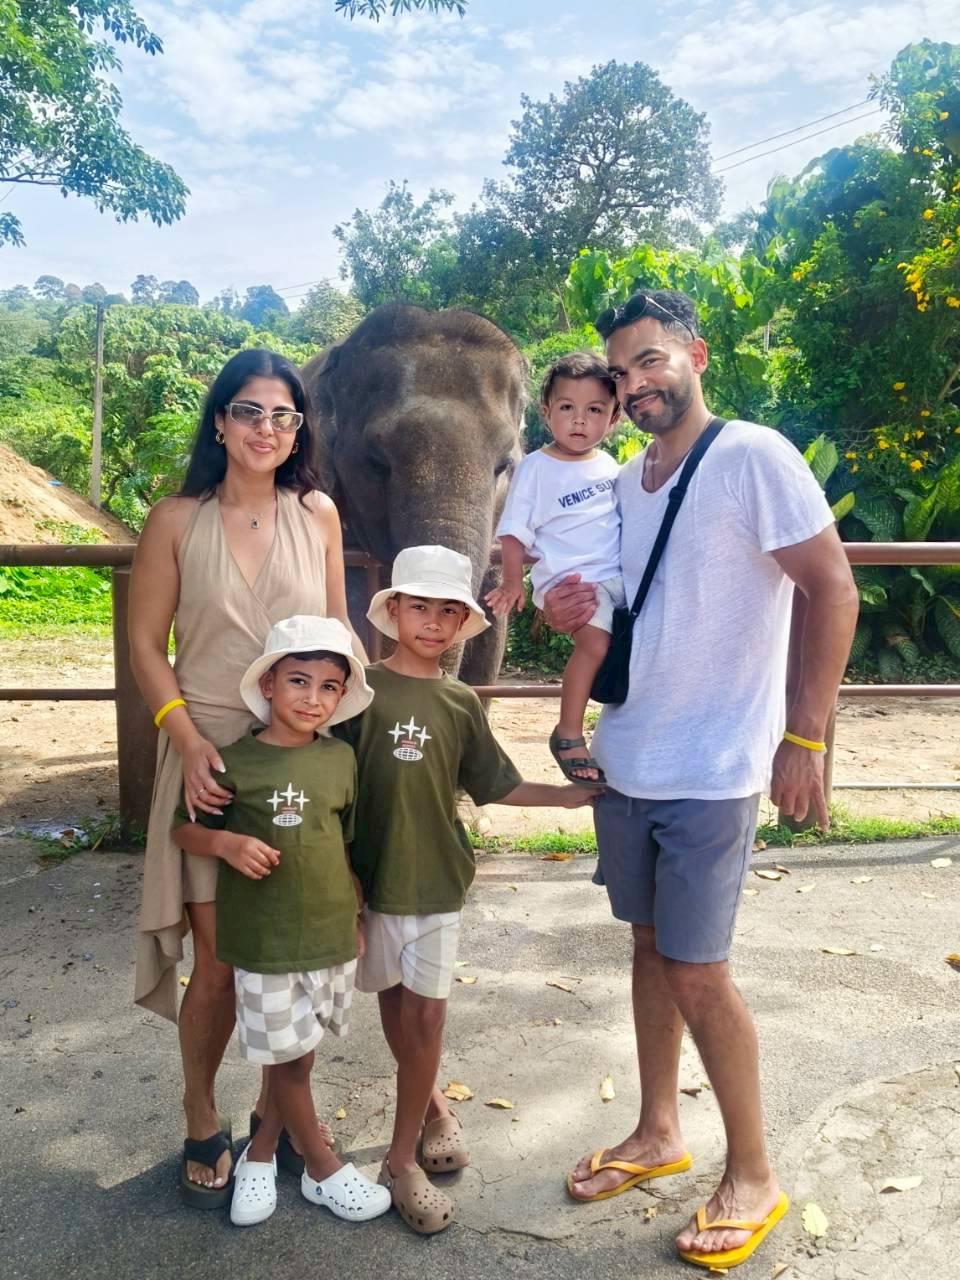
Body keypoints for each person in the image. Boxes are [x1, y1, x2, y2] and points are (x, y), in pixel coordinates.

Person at [548, 291, 859, 1272]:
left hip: (713, 766)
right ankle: (656, 1130)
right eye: (620, 372)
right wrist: (570, 613)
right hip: (631, 752)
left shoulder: (755, 456)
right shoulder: (627, 481)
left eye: (648, 362)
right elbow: (627, 611)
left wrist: (803, 735)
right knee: (649, 949)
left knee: (697, 967)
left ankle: (755, 1169)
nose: (634, 384)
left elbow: (832, 586)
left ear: (694, 353)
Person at [129, 348, 363, 1206]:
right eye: (250, 412)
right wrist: (186, 742)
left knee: (295, 956)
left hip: (299, 762)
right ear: (220, 421)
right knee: (224, 964)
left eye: (285, 416)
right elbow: (145, 648)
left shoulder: (320, 514)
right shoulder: (173, 520)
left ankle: (278, 1122)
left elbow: (337, 642)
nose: (268, 429)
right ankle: (201, 1111)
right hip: (213, 762)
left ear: (299, 429)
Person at [335, 544, 599, 1235]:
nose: (430, 621)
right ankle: (433, 1111)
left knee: (426, 1018)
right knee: (394, 1006)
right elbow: (327, 783)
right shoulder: (356, 690)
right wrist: (338, 875)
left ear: (461, 624)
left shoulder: (460, 701)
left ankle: (398, 1163)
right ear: (391, 612)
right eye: (416, 606)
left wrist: (569, 801)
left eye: (445, 611)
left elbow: (495, 782)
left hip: (437, 879)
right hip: (371, 879)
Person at [171, 615, 391, 1227]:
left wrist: (354, 913)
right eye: (298, 681)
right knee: (287, 1058)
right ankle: (323, 1168)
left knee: (302, 1049)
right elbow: (183, 828)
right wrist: (227, 847)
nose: (312, 698)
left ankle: (262, 1155)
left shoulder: (342, 760)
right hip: (262, 939)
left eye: (328, 687)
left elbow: (343, 847)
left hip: (328, 932)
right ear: (267, 685)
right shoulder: (231, 761)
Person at [486, 352, 622, 786]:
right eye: (567, 408)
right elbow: (513, 532)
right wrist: (512, 581)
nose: (579, 420)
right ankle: (567, 732)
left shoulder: (611, 467)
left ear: (614, 418)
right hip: (571, 579)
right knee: (595, 645)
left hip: (616, 576)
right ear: (547, 413)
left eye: (594, 410)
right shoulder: (536, 468)